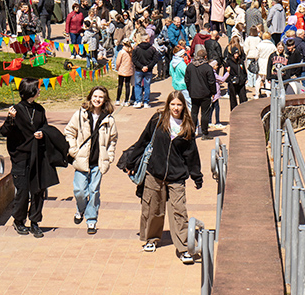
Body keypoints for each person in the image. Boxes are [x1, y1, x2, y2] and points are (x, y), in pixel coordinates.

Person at [122, 91, 203, 263]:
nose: (175, 108)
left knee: (179, 211)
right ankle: (151, 239)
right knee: (153, 208)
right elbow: (143, 141)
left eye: (179, 105)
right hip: (155, 172)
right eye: (172, 104)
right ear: (168, 105)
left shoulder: (187, 126)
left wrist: (197, 176)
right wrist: (130, 162)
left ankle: (185, 248)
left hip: (177, 175)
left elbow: (192, 154)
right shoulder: (157, 120)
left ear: (183, 106)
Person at [64, 86, 118, 235]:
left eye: (101, 97)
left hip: (98, 162)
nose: (97, 99)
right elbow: (69, 131)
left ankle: (91, 220)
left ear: (105, 100)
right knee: (80, 191)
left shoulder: (109, 120)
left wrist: (109, 157)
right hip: (81, 161)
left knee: (94, 191)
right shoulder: (80, 115)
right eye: (95, 96)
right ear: (90, 97)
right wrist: (73, 150)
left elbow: (113, 140)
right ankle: (81, 209)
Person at [0, 78, 48, 238]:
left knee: (38, 191)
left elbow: (45, 127)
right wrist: (10, 118)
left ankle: (35, 222)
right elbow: (4, 132)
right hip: (20, 157)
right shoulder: (16, 110)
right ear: (31, 91)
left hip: (37, 156)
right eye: (37, 89)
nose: (40, 91)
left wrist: (43, 134)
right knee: (22, 191)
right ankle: (19, 220)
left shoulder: (40, 110)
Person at [185, 48, 217, 139]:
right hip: (205, 94)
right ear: (205, 56)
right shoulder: (207, 67)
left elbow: (186, 80)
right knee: (205, 113)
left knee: (194, 113)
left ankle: (191, 132)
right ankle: (204, 133)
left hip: (194, 93)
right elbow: (211, 82)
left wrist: (190, 89)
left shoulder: (190, 66)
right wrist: (213, 92)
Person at [132, 33, 159, 108]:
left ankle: (138, 101)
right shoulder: (152, 49)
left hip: (139, 70)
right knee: (147, 86)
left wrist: (141, 67)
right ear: (147, 40)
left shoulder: (136, 48)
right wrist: (148, 67)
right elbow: (155, 59)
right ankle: (146, 102)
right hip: (148, 70)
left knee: (137, 85)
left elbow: (134, 60)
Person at [169, 44, 192, 110]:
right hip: (183, 85)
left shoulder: (172, 62)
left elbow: (171, 72)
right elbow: (186, 73)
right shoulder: (181, 64)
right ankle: (192, 118)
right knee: (189, 102)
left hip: (176, 84)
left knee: (180, 101)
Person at [115, 39, 134, 106]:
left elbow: (118, 62)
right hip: (129, 70)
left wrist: (117, 68)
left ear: (123, 44)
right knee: (127, 85)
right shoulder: (131, 51)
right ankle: (126, 100)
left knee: (120, 85)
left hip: (122, 70)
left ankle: (118, 100)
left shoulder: (122, 52)